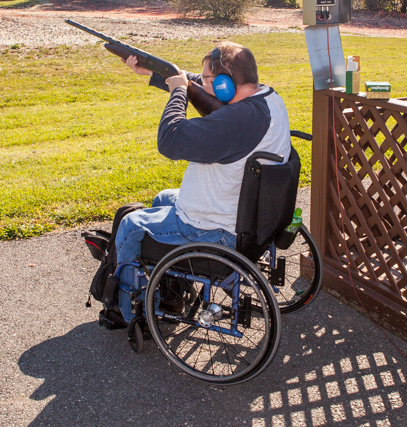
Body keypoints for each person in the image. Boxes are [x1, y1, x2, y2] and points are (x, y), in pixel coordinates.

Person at [112, 41, 291, 318]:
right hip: (245, 215)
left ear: (224, 84)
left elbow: (170, 140)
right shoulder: (267, 99)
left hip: (216, 229)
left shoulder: (236, 120)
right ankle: (171, 294)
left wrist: (178, 91)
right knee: (162, 198)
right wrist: (159, 73)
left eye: (208, 78)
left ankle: (124, 312)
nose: (202, 81)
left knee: (130, 224)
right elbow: (195, 83)